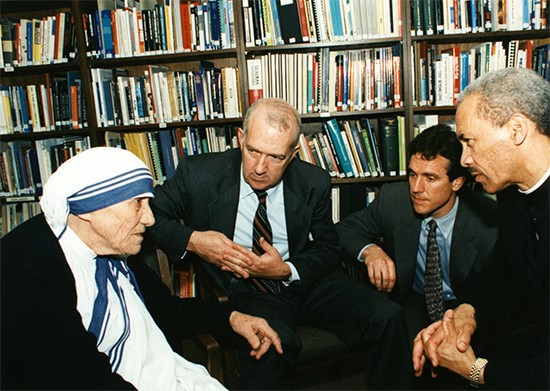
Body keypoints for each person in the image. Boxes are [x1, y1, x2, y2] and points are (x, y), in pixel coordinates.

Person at [146, 97, 413, 390]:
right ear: (240, 138)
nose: (260, 167)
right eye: (252, 151)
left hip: (304, 281)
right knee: (270, 345)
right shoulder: (198, 174)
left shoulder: (313, 182)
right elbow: (148, 216)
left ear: (293, 154)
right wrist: (195, 241)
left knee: (387, 316)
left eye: (275, 157)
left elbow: (328, 247)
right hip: (249, 290)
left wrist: (286, 270)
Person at [0, 147, 282, 390]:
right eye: (137, 204)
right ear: (89, 209)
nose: (148, 218)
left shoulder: (111, 244)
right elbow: (75, 376)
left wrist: (230, 318)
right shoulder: (25, 269)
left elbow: (166, 311)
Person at [412, 67, 550, 389]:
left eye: (469, 142)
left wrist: (476, 371)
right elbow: (505, 272)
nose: (464, 159)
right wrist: (466, 312)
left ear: (517, 130)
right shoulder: (511, 193)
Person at [336, 124, 498, 345]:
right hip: (413, 300)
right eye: (413, 175)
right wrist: (370, 251)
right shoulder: (393, 200)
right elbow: (342, 231)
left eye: (430, 178)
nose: (416, 188)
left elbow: (495, 292)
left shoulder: (487, 220)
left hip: (466, 304)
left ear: (457, 182)